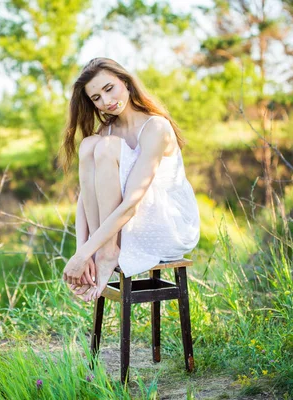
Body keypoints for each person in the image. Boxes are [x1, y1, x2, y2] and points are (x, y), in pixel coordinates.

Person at [60, 57, 200, 302]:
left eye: (109, 88)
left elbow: (132, 202)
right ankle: (104, 251)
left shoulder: (156, 127)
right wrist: (82, 252)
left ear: (124, 81)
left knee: (103, 147)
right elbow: (86, 196)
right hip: (123, 225)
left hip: (167, 223)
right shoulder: (106, 133)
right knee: (90, 143)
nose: (106, 102)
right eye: (96, 98)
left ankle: (106, 251)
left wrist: (87, 252)